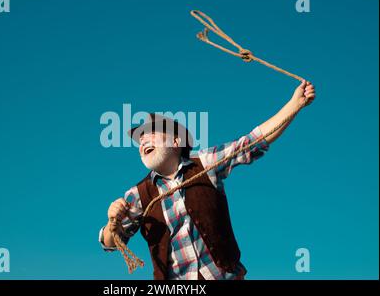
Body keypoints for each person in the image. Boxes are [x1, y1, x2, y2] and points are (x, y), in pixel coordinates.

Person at [99, 80, 316, 280]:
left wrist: (294, 105)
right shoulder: (138, 195)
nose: (143, 140)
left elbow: (250, 143)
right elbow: (110, 244)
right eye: (140, 139)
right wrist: (112, 223)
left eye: (151, 133)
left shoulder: (204, 163)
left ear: (176, 141)